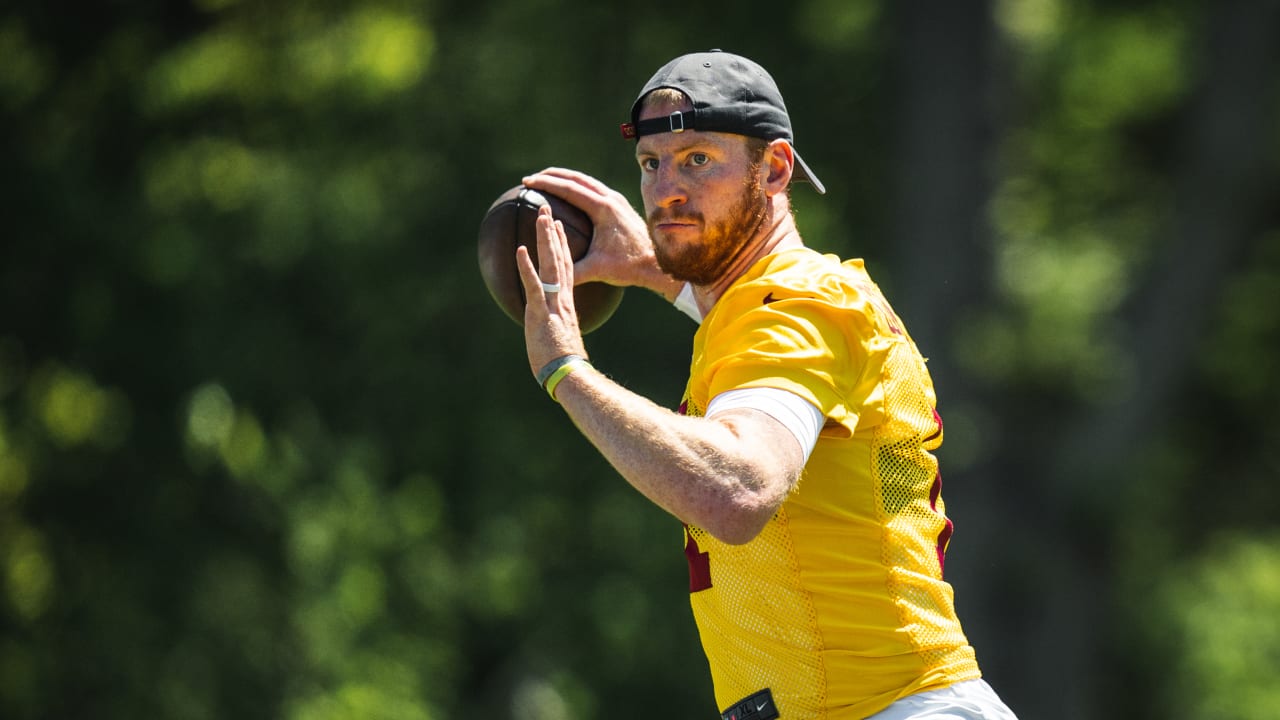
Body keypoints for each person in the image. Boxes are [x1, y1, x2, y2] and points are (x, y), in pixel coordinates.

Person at [514, 49, 1017, 719]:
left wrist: (566, 370)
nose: (665, 189)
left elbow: (739, 489)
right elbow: (747, 322)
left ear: (775, 169)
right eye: (651, 164)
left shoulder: (797, 302)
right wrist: (651, 267)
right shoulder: (774, 306)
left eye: (697, 159)